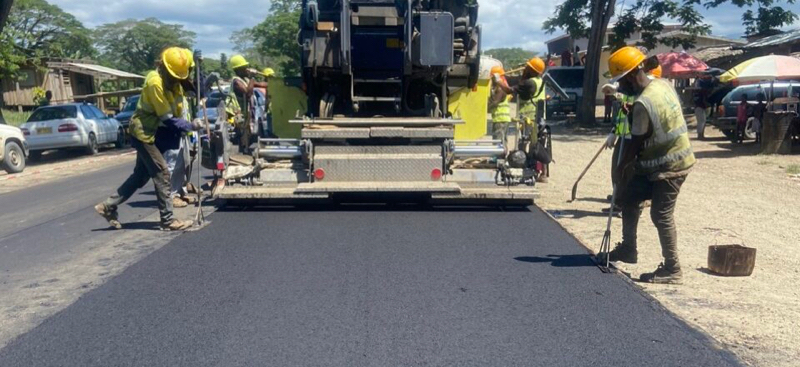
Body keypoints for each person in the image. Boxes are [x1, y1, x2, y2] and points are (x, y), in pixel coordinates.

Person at [599, 46, 696, 284]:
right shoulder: (662, 85)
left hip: (670, 164)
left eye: (622, 81)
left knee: (660, 214)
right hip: (657, 160)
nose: (621, 86)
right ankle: (628, 249)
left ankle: (672, 269)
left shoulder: (643, 104)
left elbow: (635, 142)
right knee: (629, 197)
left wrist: (621, 166)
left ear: (633, 75)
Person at [95, 47, 204, 231]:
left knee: (140, 176)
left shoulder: (174, 82)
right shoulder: (155, 83)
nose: (178, 79)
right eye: (175, 76)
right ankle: (168, 220)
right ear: (164, 69)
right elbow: (167, 118)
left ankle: (108, 206)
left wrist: (194, 79)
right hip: (145, 133)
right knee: (162, 173)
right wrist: (191, 126)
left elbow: (189, 93)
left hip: (157, 133)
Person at [497, 57, 549, 183]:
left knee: (526, 145)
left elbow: (510, 90)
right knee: (539, 145)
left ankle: (525, 168)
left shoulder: (529, 83)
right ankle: (543, 174)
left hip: (529, 119)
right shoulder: (539, 81)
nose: (525, 69)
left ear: (532, 70)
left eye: (527, 67)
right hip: (540, 118)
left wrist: (498, 81)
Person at [227, 55, 269, 152]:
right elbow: (248, 93)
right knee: (242, 137)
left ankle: (245, 151)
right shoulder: (236, 82)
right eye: (244, 68)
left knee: (247, 137)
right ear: (238, 70)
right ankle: (243, 153)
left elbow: (261, 85)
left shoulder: (245, 80)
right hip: (238, 115)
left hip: (246, 115)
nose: (247, 69)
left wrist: (273, 82)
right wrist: (252, 77)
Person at [488, 66, 512, 140]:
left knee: (498, 142)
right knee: (502, 141)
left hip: (500, 120)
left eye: (492, 77)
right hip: (502, 119)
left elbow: (495, 102)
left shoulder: (500, 88)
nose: (491, 79)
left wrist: (485, 108)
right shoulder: (502, 86)